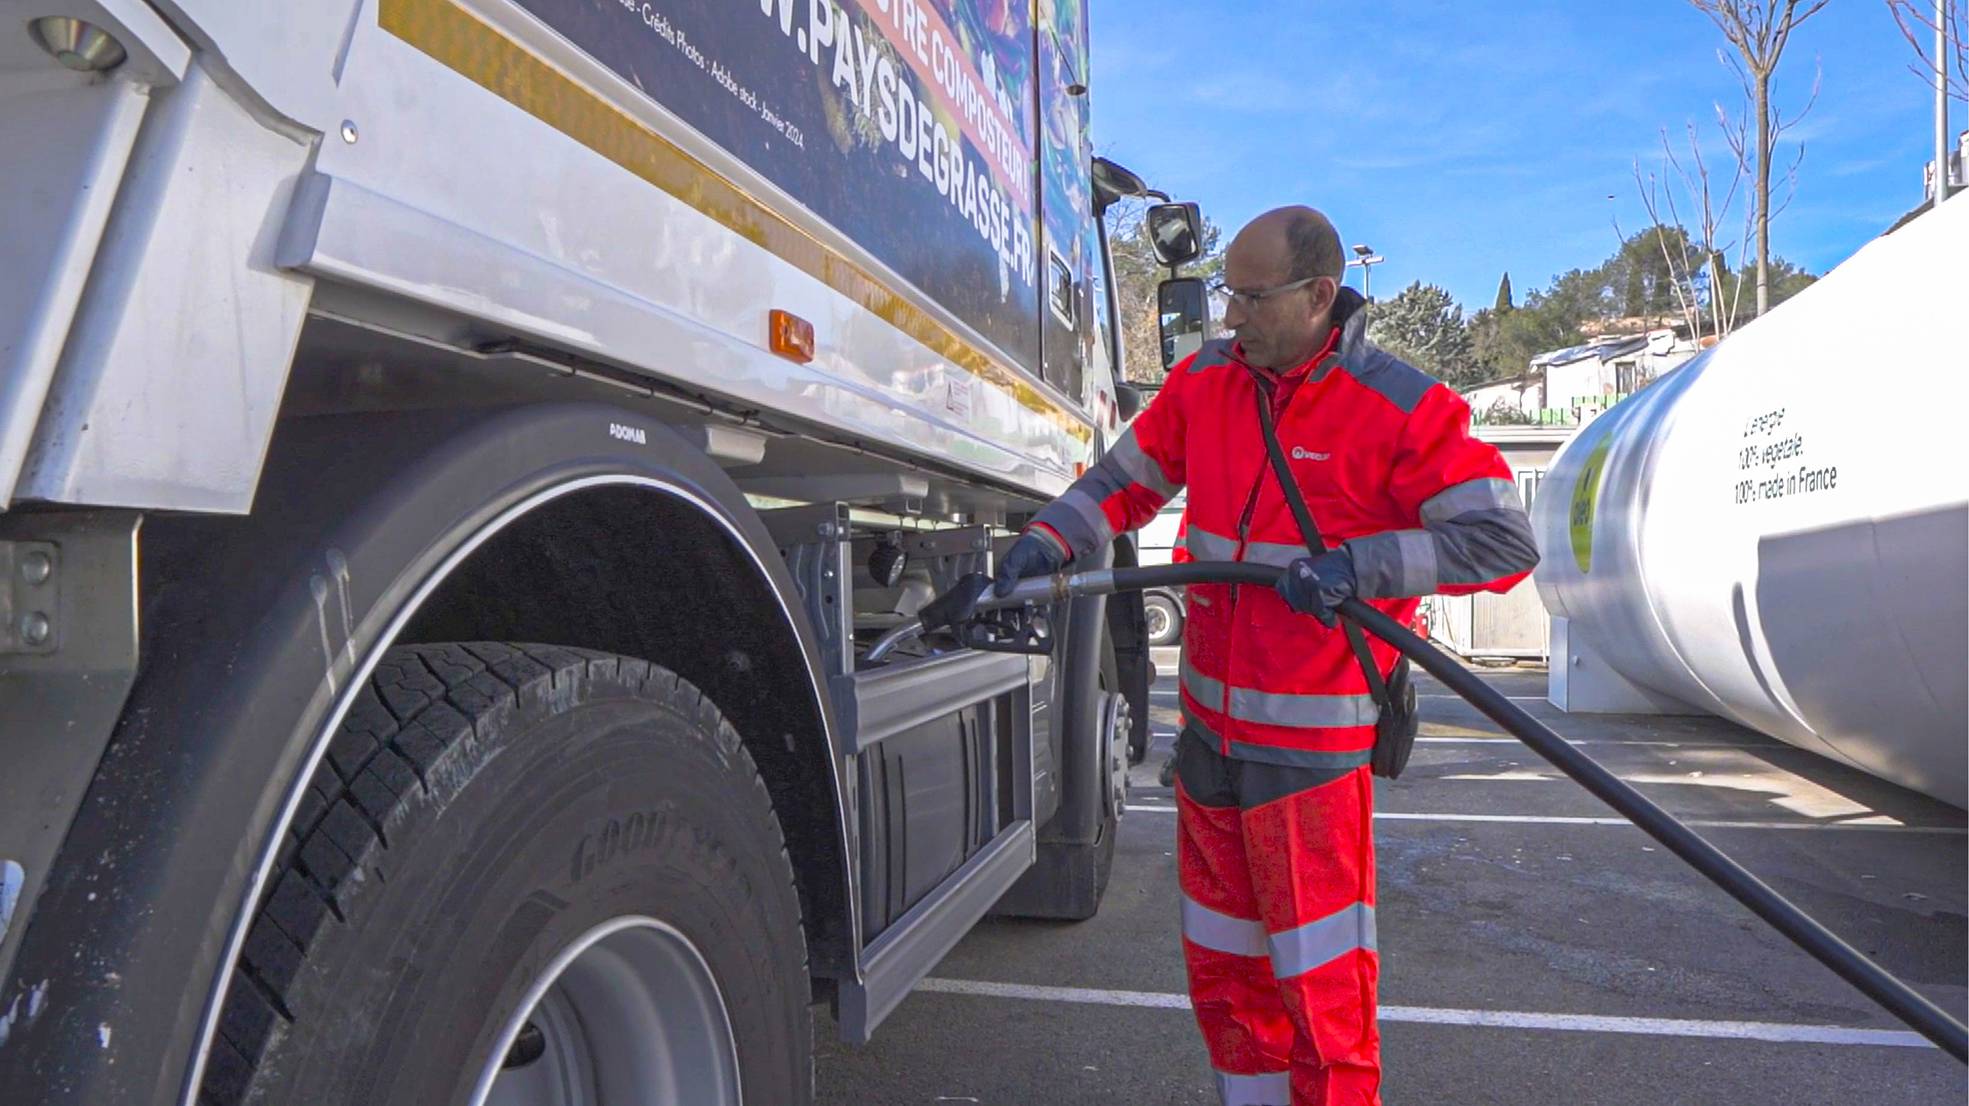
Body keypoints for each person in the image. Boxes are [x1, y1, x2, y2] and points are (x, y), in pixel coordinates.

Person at [935, 206, 1538, 1105]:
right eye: (1227, 294)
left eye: (1251, 298)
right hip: (1210, 748)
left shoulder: (1403, 409)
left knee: (1320, 995)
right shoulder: (1208, 382)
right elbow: (1118, 486)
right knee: (1225, 978)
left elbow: (1500, 543)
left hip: (1308, 765)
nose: (1229, 318)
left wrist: (1357, 567)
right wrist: (1046, 544)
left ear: (1319, 296)